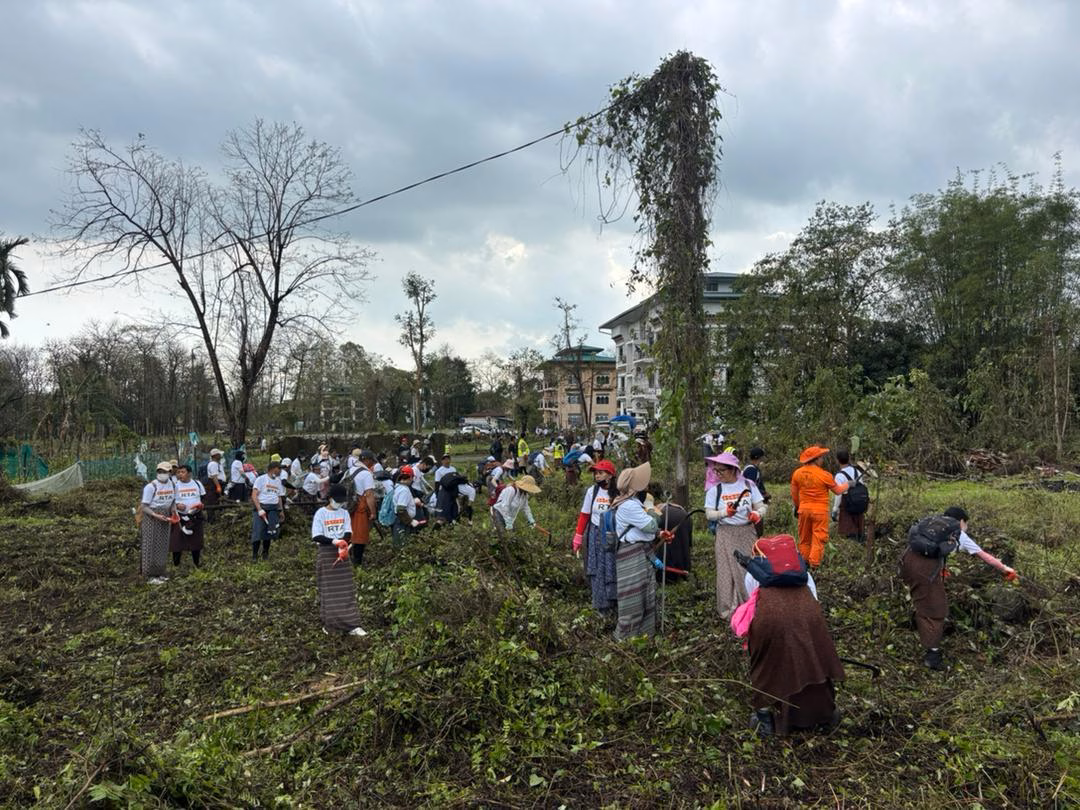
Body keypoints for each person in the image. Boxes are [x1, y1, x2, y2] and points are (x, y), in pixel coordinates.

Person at [733, 534, 844, 736]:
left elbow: (753, 602)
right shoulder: (804, 574)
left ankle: (765, 719)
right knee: (815, 661)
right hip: (810, 617)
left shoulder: (753, 574)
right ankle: (824, 714)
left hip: (769, 619)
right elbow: (814, 598)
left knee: (767, 666)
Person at [900, 506, 1018, 671]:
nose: (966, 527)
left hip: (907, 562)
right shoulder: (958, 533)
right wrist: (1006, 569)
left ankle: (919, 625)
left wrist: (939, 569)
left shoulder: (932, 525)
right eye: (966, 523)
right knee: (937, 610)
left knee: (922, 598)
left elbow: (926, 549)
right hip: (924, 571)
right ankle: (932, 656)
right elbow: (984, 556)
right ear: (961, 521)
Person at [704, 452, 767, 619]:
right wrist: (725, 513)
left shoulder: (748, 485)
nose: (717, 474)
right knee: (726, 571)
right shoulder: (714, 490)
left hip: (747, 532)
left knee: (749, 569)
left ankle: (752, 605)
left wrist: (756, 514)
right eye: (715, 471)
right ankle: (729, 609)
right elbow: (709, 514)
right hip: (725, 533)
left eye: (721, 470)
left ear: (733, 470)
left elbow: (761, 506)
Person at [612, 461, 661, 639]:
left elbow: (646, 530)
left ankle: (644, 637)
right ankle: (626, 639)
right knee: (633, 598)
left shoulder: (630, 503)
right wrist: (650, 506)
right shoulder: (628, 506)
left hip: (641, 553)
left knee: (645, 595)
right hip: (632, 556)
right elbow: (651, 525)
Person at [311, 484, 368, 637]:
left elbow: (348, 532)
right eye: (337, 500)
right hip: (327, 553)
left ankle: (352, 624)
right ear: (330, 498)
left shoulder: (344, 513)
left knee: (346, 589)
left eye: (342, 501)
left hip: (342, 553)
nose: (340, 503)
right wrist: (334, 542)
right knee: (329, 589)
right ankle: (331, 624)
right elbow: (316, 536)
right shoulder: (320, 514)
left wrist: (343, 545)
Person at [790, 445, 848, 568]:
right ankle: (815, 566)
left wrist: (797, 507)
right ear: (816, 459)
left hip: (803, 510)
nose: (822, 460)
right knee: (818, 538)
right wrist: (848, 484)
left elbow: (794, 495)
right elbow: (838, 491)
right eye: (821, 457)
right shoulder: (824, 475)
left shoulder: (797, 474)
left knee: (804, 538)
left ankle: (804, 564)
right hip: (819, 512)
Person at [572, 460, 618, 613]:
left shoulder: (619, 491)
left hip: (613, 536)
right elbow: (584, 515)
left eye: (601, 473)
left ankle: (614, 602)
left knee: (612, 567)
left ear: (610, 475)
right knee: (597, 569)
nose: (597, 476)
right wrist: (578, 537)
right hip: (595, 535)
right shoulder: (592, 492)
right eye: (596, 473)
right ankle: (601, 605)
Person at [140, 461, 177, 584]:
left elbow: (173, 501)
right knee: (151, 544)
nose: (163, 474)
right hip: (152, 517)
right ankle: (149, 574)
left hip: (166, 516)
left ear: (170, 473)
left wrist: (174, 512)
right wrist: (155, 515)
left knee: (163, 544)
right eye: (160, 472)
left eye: (165, 472)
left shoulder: (172, 485)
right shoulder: (151, 487)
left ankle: (160, 571)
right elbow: (144, 506)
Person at [648, 483, 691, 584]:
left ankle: (665, 576)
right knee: (683, 544)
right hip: (684, 516)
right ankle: (683, 573)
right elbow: (688, 543)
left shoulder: (652, 508)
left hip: (665, 517)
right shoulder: (676, 506)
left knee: (663, 546)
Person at [250, 459, 287, 561]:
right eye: (279, 468)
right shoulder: (261, 479)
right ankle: (254, 555)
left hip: (273, 509)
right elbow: (254, 495)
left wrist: (281, 511)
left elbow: (279, 497)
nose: (280, 471)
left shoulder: (278, 481)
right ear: (273, 469)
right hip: (262, 508)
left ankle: (265, 554)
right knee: (258, 532)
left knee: (269, 532)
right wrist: (259, 509)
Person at [171, 464, 205, 569]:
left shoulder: (197, 484)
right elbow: (170, 501)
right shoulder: (175, 485)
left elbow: (203, 497)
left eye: (183, 472)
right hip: (180, 516)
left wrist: (200, 506)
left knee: (196, 541)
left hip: (195, 516)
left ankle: (196, 563)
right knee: (177, 541)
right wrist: (177, 505)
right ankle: (176, 564)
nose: (180, 474)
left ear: (189, 473)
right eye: (178, 472)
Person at [347, 450, 377, 566]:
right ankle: (357, 563)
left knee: (349, 534)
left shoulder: (350, 470)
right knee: (359, 536)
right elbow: (369, 494)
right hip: (360, 507)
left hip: (350, 507)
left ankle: (348, 558)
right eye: (372, 461)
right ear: (367, 460)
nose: (372, 464)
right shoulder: (366, 474)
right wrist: (373, 513)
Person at [832, 449, 866, 543]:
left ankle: (853, 544)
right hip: (859, 504)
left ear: (837, 460)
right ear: (849, 458)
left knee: (849, 530)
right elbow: (862, 487)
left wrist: (835, 509)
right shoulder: (857, 472)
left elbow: (838, 493)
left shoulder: (839, 476)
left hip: (847, 505)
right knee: (859, 527)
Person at [390, 466, 424, 548]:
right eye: (412, 478)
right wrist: (410, 521)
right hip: (402, 521)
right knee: (402, 545)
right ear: (409, 477)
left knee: (401, 543)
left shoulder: (398, 487)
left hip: (401, 520)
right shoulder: (404, 490)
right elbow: (400, 509)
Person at [203, 448, 226, 521]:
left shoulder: (218, 464)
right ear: (215, 455)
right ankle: (211, 519)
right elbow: (214, 476)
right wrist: (218, 486)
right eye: (219, 454)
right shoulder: (213, 464)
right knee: (212, 501)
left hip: (219, 483)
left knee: (218, 500)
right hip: (214, 484)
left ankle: (218, 517)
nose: (220, 456)